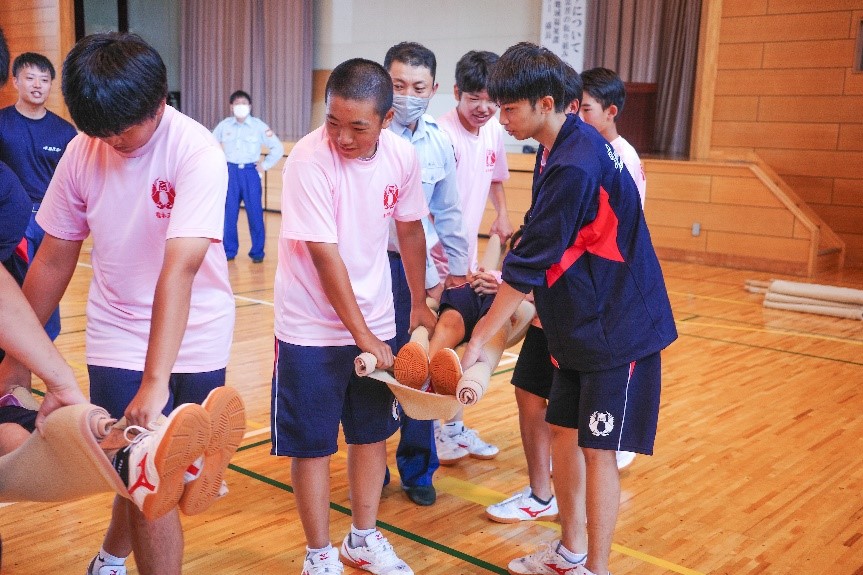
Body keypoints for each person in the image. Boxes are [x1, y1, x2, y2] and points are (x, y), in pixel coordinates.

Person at [0, 33, 237, 575]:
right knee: (143, 477)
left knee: (149, 473)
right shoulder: (86, 150)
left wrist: (156, 382)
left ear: (158, 104)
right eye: (97, 132)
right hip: (117, 328)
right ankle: (158, 500)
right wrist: (18, 357)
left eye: (122, 133)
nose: (111, 142)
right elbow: (54, 259)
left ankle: (109, 554)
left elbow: (179, 267)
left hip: (196, 328)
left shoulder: (196, 151)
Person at [462, 42, 677, 575]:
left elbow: (532, 259)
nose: (501, 119)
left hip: (616, 328)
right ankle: (570, 553)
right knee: (563, 431)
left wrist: (481, 339)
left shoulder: (578, 163)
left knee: (598, 450)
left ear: (547, 101)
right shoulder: (555, 146)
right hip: (575, 323)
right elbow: (546, 237)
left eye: (510, 109)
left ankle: (594, 569)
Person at [273, 57, 434, 575]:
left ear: (387, 121)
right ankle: (319, 553)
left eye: (357, 127)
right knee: (314, 446)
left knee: (371, 436)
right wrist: (361, 333)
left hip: (378, 320)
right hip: (309, 328)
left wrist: (418, 300)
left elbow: (408, 229)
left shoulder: (402, 157)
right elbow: (324, 254)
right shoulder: (308, 161)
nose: (342, 137)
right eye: (333, 122)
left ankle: (362, 539)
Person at [382, 41, 470, 506]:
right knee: (376, 366)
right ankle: (371, 460)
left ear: (434, 89)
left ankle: (418, 468)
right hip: (372, 269)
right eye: (397, 85)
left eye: (417, 86)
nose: (407, 94)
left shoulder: (439, 139)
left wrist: (457, 273)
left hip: (420, 273)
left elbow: (449, 213)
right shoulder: (368, 131)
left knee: (417, 365)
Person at [435, 49, 513, 462]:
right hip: (437, 263)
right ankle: (433, 428)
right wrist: (437, 268)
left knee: (466, 342)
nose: (483, 108)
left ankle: (451, 427)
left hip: (468, 262)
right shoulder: (440, 135)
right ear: (455, 93)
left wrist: (502, 214)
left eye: (491, 100)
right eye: (473, 99)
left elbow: (496, 177)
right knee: (443, 340)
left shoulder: (494, 131)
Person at [0, 52, 78, 341]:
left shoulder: (65, 131)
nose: (37, 85)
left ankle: (43, 346)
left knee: (47, 287)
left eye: (44, 80)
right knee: (14, 287)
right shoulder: (2, 124)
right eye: (30, 77)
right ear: (16, 80)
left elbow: (71, 180)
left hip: (50, 220)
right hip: (12, 218)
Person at [212, 90, 284, 263]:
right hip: (230, 173)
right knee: (229, 215)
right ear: (231, 106)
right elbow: (210, 144)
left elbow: (278, 148)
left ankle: (257, 252)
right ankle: (229, 251)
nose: (240, 107)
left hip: (250, 173)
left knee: (255, 214)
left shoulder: (258, 126)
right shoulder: (224, 125)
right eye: (237, 103)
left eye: (244, 103)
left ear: (250, 106)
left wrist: (264, 166)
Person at [579, 67, 646, 208]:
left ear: (611, 112)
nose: (578, 117)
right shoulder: (587, 148)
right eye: (575, 108)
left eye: (586, 110)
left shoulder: (623, 157)